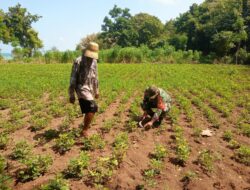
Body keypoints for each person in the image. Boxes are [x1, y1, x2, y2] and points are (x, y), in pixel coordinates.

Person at [68, 42, 99, 137]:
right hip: (81, 87)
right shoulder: (79, 61)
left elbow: (95, 77)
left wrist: (96, 90)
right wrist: (71, 94)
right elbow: (73, 78)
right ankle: (84, 130)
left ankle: (84, 128)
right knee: (93, 107)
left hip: (89, 88)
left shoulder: (94, 61)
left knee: (88, 109)